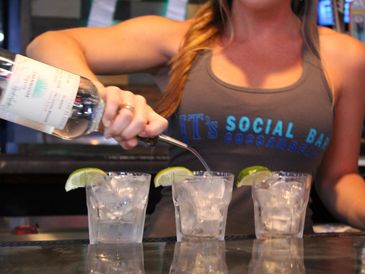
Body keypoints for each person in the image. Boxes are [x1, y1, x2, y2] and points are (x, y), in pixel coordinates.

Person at [26, 0, 365, 236]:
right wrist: (101, 99)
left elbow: (338, 179)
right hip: (176, 255)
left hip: (286, 259)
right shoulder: (177, 38)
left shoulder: (345, 57)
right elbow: (47, 44)